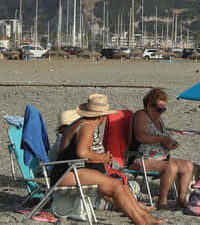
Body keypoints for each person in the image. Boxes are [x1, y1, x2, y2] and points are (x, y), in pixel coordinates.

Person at [53, 94, 161, 224]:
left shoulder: (79, 123)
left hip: (70, 171)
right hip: (68, 172)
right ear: (101, 116)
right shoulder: (87, 126)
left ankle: (145, 218)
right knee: (116, 186)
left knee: (121, 187)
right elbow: (82, 152)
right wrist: (102, 157)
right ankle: (141, 221)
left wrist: (99, 159)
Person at [130, 88, 193, 209]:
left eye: (164, 109)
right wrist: (162, 140)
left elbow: (162, 138)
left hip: (161, 158)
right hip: (142, 158)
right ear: (149, 105)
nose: (161, 112)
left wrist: (170, 143)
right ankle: (162, 201)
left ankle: (181, 199)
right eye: (159, 109)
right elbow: (140, 136)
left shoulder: (158, 119)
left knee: (188, 165)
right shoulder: (142, 116)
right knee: (171, 167)